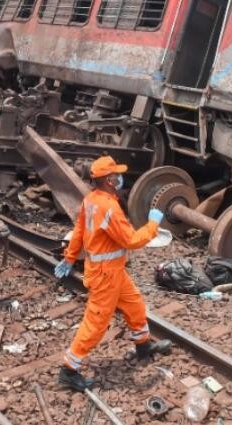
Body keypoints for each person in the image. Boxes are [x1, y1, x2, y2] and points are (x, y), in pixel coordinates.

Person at [54, 155, 171, 391]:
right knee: (96, 323)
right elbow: (131, 240)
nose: (120, 178)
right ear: (108, 180)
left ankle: (143, 346)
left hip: (113, 271)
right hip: (106, 275)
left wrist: (69, 258)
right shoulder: (109, 207)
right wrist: (152, 225)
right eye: (116, 174)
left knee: (135, 305)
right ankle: (69, 369)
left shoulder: (91, 200)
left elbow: (78, 231)